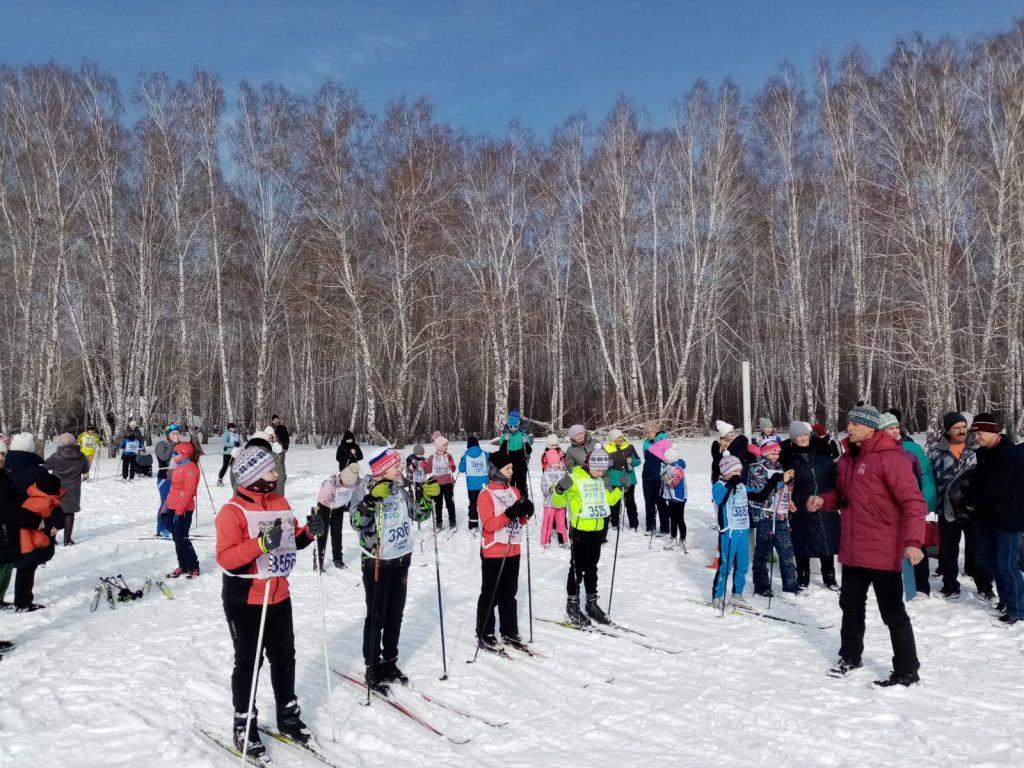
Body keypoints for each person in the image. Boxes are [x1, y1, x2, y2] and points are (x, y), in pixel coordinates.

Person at [216, 444, 324, 757]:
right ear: (251, 476)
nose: (276, 474)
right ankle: (243, 723)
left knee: (284, 656)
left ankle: (288, 714)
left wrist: (309, 533)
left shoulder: (279, 502)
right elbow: (227, 559)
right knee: (249, 662)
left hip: (279, 594)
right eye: (270, 470)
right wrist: (260, 544)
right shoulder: (232, 511)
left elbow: (290, 542)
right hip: (245, 598)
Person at [810, 403, 926, 686]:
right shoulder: (849, 458)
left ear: (871, 427)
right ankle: (850, 655)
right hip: (853, 547)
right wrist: (825, 500)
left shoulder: (891, 458)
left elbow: (913, 502)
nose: (848, 427)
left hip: (883, 549)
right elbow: (843, 494)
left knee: (892, 612)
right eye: (849, 423)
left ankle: (907, 669)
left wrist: (913, 542)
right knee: (849, 605)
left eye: (855, 423)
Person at [350, 449, 433, 694]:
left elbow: (419, 514)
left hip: (401, 560)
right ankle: (373, 666)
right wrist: (371, 500)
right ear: (381, 471)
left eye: (398, 465)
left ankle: (390, 662)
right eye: (394, 466)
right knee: (376, 617)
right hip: (377, 562)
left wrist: (427, 499)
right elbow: (356, 522)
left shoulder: (400, 490)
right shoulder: (363, 489)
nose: (399, 470)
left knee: (395, 615)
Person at [553, 445, 621, 626]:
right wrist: (559, 489)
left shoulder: (598, 481)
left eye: (603, 469)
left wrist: (620, 488)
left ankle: (592, 603)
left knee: (592, 566)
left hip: (597, 530)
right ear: (588, 465)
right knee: (577, 567)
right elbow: (558, 502)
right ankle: (572, 604)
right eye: (597, 469)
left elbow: (608, 500)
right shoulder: (575, 479)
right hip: (580, 530)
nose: (601, 473)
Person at [965, 414, 1024, 624]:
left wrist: (969, 498)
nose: (976, 437)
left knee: (1007, 565)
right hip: (988, 516)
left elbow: (994, 487)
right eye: (974, 434)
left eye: (979, 433)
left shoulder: (1009, 455)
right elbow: (979, 481)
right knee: (992, 561)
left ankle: (1018, 608)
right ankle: (1006, 600)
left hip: (1008, 518)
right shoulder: (984, 453)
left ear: (993, 432)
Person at [927, 412, 992, 600]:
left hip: (974, 509)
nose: (962, 431)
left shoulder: (977, 448)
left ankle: (985, 586)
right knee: (948, 549)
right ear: (948, 430)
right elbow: (929, 479)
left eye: (964, 427)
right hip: (947, 510)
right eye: (957, 428)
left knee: (978, 548)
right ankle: (950, 584)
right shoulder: (935, 451)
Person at [475, 445, 534, 652]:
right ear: (496, 470)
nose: (511, 471)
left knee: (510, 593)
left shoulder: (514, 490)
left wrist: (526, 511)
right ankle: (485, 632)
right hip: (493, 551)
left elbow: (521, 521)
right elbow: (490, 525)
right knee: (490, 594)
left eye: (511, 468)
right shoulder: (485, 495)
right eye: (507, 468)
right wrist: (510, 513)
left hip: (513, 550)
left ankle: (509, 630)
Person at [880, 410, 937, 597]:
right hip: (887, 510)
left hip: (910, 508)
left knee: (916, 545)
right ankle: (896, 584)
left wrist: (925, 503)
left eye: (896, 427)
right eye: (890, 428)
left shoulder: (912, 450)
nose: (895, 431)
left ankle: (921, 588)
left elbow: (925, 477)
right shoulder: (875, 453)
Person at [783, 421, 840, 590]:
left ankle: (829, 577)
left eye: (804, 435)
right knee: (802, 541)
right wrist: (789, 500)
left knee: (826, 539)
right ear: (793, 439)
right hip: (802, 505)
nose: (802, 438)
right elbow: (786, 484)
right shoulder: (789, 459)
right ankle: (803, 577)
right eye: (798, 436)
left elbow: (835, 477)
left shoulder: (823, 454)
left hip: (824, 502)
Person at [747, 438, 799, 597]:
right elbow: (760, 493)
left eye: (778, 452)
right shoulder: (757, 468)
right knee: (763, 550)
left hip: (780, 515)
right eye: (774, 452)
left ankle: (790, 585)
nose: (777, 455)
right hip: (764, 516)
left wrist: (789, 502)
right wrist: (780, 480)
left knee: (786, 550)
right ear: (766, 453)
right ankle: (761, 585)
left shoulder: (780, 467)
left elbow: (783, 490)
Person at [711, 455, 756, 610]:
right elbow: (720, 500)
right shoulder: (718, 486)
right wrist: (730, 484)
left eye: (740, 470)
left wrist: (776, 481)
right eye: (735, 471)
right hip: (729, 532)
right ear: (726, 472)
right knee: (725, 566)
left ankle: (737, 594)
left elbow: (759, 495)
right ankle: (718, 595)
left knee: (743, 566)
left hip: (743, 530)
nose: (739, 473)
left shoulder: (742, 486)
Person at [14, 472, 63, 612]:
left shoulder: (34, 497)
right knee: (26, 572)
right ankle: (23, 603)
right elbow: (48, 522)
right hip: (31, 542)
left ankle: (23, 601)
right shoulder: (45, 502)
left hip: (27, 540)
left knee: (26, 571)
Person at [164, 442, 201, 579]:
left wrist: (180, 510)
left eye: (176, 453)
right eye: (173, 453)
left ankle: (193, 567)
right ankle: (183, 565)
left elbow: (189, 491)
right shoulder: (180, 467)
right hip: (173, 507)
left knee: (182, 539)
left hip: (184, 509)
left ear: (185, 454)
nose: (174, 456)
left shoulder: (191, 469)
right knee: (176, 539)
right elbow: (174, 489)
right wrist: (166, 505)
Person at [314, 463, 362, 569]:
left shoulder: (356, 482)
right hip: (325, 508)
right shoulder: (330, 484)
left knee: (337, 534)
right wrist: (334, 502)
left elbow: (357, 492)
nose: (348, 486)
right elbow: (322, 499)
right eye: (346, 484)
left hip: (338, 508)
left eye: (350, 485)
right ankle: (318, 560)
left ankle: (337, 558)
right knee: (321, 534)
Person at [44, 433, 89, 546]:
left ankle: (52, 539)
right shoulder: (81, 455)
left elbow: (45, 466)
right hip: (73, 489)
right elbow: (85, 470)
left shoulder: (56, 456)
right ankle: (67, 539)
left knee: (53, 513)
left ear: (61, 442)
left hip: (57, 489)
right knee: (69, 513)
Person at [606, 429, 640, 531]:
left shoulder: (629, 447)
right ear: (612, 439)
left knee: (630, 502)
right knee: (615, 502)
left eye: (621, 437)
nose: (620, 439)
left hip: (629, 478)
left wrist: (632, 461)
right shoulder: (607, 449)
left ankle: (633, 524)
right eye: (617, 438)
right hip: (614, 479)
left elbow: (638, 461)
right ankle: (615, 523)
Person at [496, 410, 533, 499]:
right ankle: (512, 504)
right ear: (508, 425)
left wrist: (526, 442)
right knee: (510, 487)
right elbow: (501, 451)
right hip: (509, 466)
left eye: (515, 426)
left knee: (521, 486)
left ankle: (522, 502)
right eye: (511, 426)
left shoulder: (522, 435)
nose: (513, 428)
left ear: (518, 425)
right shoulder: (504, 435)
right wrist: (505, 441)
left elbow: (528, 451)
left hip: (521, 464)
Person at [424, 435, 457, 530]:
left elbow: (453, 469)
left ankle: (452, 520)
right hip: (436, 485)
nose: (446, 447)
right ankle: (439, 521)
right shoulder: (432, 458)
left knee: (449, 503)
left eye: (447, 445)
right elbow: (428, 470)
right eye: (444, 445)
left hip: (447, 483)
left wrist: (452, 465)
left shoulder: (449, 456)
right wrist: (424, 466)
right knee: (438, 504)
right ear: (438, 446)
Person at [641, 421, 669, 533]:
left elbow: (669, 459)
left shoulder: (665, 442)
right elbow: (646, 459)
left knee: (661, 502)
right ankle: (650, 526)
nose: (648, 435)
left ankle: (665, 528)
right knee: (649, 502)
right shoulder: (646, 443)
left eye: (650, 432)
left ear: (656, 431)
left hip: (660, 477)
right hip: (647, 477)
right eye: (646, 433)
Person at [154, 425, 181, 538]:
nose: (176, 436)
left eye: (177, 433)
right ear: (168, 435)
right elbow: (165, 457)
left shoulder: (180, 445)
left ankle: (170, 526)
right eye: (173, 434)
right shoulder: (162, 444)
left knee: (175, 502)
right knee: (165, 502)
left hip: (178, 476)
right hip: (165, 477)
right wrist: (172, 445)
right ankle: (161, 528)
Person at [458, 436, 489, 531]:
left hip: (471, 486)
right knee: (485, 503)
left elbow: (461, 469)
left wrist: (461, 461)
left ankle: (473, 523)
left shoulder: (465, 456)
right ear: (477, 444)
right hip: (484, 485)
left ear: (468, 445)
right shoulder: (485, 454)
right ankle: (487, 523)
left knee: (473, 503)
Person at [540, 448, 569, 549]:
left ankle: (563, 541)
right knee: (547, 522)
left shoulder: (563, 473)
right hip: (549, 503)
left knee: (561, 523)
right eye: (554, 463)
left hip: (561, 503)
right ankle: (545, 541)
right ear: (549, 464)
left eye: (558, 462)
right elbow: (543, 489)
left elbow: (568, 485)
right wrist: (550, 488)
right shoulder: (546, 474)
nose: (556, 465)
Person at [659, 447, 688, 549]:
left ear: (670, 458)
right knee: (672, 518)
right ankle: (673, 537)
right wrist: (663, 474)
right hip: (671, 498)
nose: (664, 459)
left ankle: (683, 539)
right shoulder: (669, 467)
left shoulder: (678, 469)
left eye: (666, 457)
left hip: (678, 498)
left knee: (679, 519)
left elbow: (673, 483)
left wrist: (665, 476)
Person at [263, 426, 287, 496]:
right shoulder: (263, 442)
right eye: (269, 435)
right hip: (266, 465)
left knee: (278, 481)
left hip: (275, 464)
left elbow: (279, 450)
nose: (270, 437)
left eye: (271, 435)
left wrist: (274, 441)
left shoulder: (274, 442)